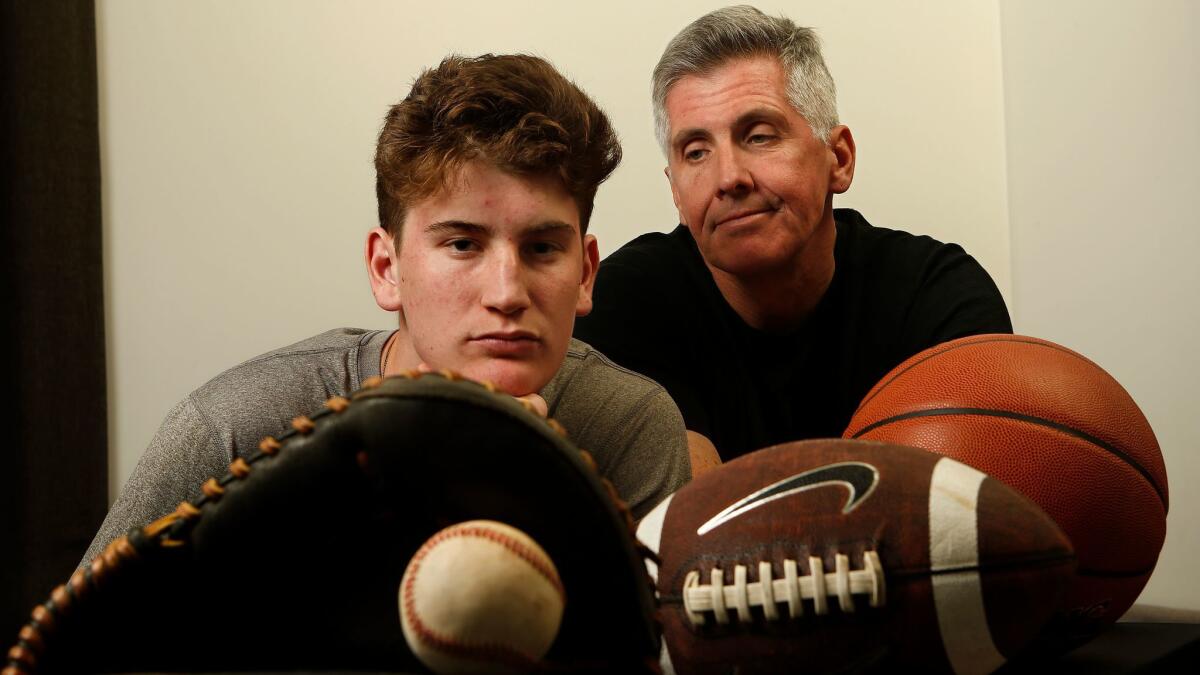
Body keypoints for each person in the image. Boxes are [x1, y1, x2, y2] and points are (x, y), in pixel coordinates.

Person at [82, 54, 691, 564]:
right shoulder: (234, 430)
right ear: (387, 268)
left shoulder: (629, 427)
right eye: (462, 244)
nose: (507, 292)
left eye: (541, 248)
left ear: (585, 274)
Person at [574, 6, 1012, 463]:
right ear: (676, 193)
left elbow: (956, 511)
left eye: (759, 136)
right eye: (697, 152)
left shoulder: (939, 300)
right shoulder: (621, 308)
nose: (728, 177)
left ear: (838, 159)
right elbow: (682, 523)